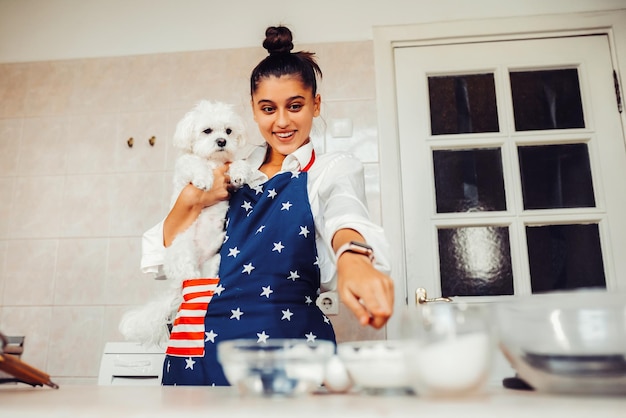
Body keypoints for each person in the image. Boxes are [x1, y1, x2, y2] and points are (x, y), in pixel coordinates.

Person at [140, 25, 394, 386]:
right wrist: (192, 199)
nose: (282, 122)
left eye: (295, 106)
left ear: (315, 104)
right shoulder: (228, 166)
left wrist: (354, 258)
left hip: (291, 349)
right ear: (253, 111)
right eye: (268, 108)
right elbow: (158, 257)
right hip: (202, 347)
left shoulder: (329, 168)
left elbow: (345, 212)